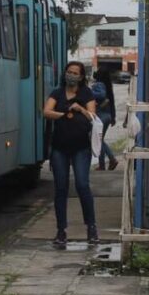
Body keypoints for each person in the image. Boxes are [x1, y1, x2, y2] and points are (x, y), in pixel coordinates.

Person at [43, 61, 99, 248]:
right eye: (69, 72)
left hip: (81, 148)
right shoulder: (57, 93)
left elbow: (93, 117)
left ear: (81, 77)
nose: (72, 75)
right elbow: (46, 111)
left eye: (75, 73)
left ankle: (91, 228)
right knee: (61, 188)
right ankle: (61, 231)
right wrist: (62, 113)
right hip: (60, 148)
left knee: (83, 185)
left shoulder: (86, 94)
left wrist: (80, 109)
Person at [92, 69, 118, 171]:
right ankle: (102, 164)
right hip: (107, 116)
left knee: (98, 140)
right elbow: (111, 103)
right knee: (100, 140)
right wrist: (113, 117)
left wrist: (89, 92)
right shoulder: (107, 86)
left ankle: (111, 159)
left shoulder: (99, 84)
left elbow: (101, 95)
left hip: (101, 116)